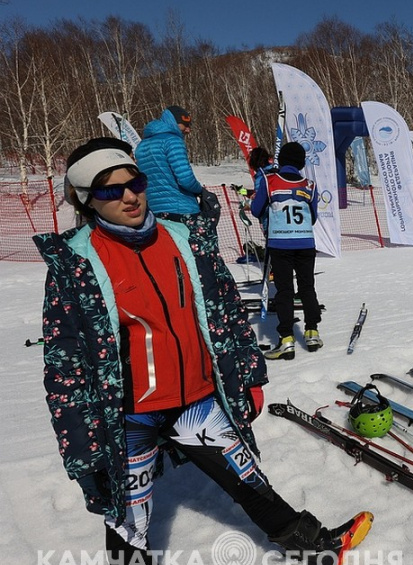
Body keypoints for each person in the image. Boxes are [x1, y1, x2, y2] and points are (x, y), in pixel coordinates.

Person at [34, 138, 371, 565]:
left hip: (196, 400)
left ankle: (317, 548)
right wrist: (85, 446)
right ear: (86, 201)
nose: (128, 196)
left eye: (133, 182)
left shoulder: (184, 237)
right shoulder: (75, 263)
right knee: (127, 521)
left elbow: (228, 312)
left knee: (250, 481)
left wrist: (248, 377)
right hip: (130, 415)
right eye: (108, 190)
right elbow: (65, 366)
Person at [250, 142, 323, 359]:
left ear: (281, 160)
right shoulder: (309, 184)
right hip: (305, 243)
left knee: (284, 291)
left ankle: (286, 339)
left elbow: (256, 210)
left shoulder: (269, 180)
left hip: (280, 243)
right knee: (307, 288)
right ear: (301, 163)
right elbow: (314, 216)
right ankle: (312, 332)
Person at [134, 106, 204, 224]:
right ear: (172, 122)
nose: (188, 130)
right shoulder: (173, 141)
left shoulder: (142, 145)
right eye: (185, 125)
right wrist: (199, 190)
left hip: (154, 211)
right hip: (181, 209)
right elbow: (185, 179)